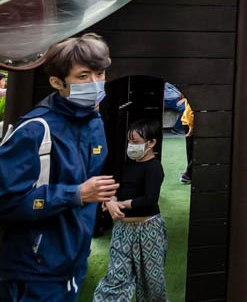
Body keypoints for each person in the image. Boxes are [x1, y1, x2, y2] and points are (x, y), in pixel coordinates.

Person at [0, 33, 116, 301]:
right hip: (33, 270)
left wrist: (104, 197)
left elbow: (87, 180)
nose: (96, 83)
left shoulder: (94, 123)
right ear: (57, 82)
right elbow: (5, 200)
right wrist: (75, 194)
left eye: (100, 73)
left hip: (74, 262)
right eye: (84, 76)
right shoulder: (34, 130)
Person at [93, 117, 166, 302]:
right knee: (116, 277)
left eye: (136, 142)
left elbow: (150, 199)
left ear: (151, 143)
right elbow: (115, 188)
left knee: (152, 284)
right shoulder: (127, 165)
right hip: (123, 230)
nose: (131, 145)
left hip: (149, 230)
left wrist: (121, 204)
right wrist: (111, 201)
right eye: (130, 141)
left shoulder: (154, 167)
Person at [180, 100, 194, 185]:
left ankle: (189, 173)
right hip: (190, 123)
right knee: (196, 150)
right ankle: (188, 174)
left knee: (191, 150)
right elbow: (190, 112)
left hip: (187, 122)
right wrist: (191, 127)